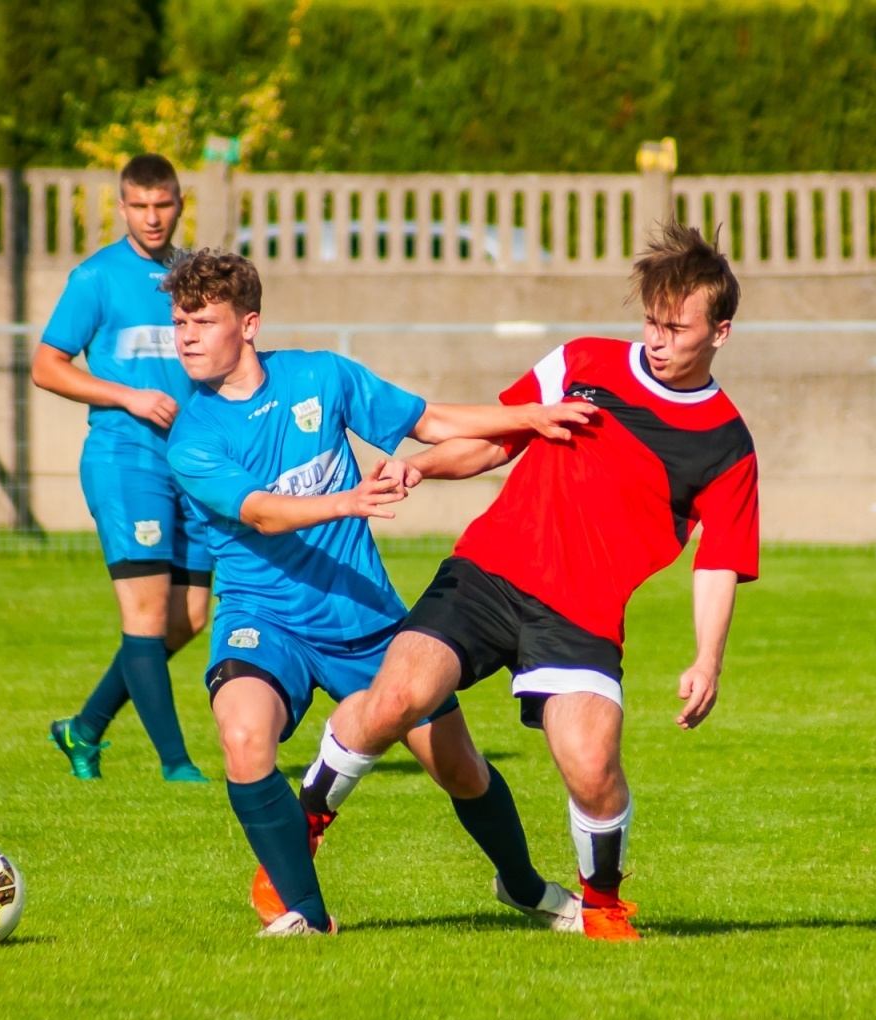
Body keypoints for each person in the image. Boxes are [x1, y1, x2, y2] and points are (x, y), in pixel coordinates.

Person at [295, 222, 760, 942]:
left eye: (677, 328)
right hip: (489, 573)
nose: (658, 340)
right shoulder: (582, 363)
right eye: (650, 322)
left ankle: (602, 903)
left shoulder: (727, 443)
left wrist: (708, 657)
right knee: (395, 697)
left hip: (581, 612)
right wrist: (423, 463)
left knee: (591, 764)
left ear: (721, 333)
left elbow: (720, 557)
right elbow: (497, 435)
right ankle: (297, 836)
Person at [162, 249, 598, 936]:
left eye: (201, 320)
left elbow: (430, 421)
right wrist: (349, 499)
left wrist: (529, 419)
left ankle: (520, 886)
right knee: (244, 736)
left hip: (363, 617)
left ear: (248, 324)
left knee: (459, 767)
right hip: (263, 618)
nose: (184, 335)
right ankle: (306, 914)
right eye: (178, 321)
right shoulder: (190, 436)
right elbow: (262, 513)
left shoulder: (322, 376)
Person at [32, 154, 210, 783]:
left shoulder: (193, 277)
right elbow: (46, 365)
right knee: (144, 615)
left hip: (193, 465)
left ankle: (83, 729)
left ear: (180, 202)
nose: (153, 216)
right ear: (122, 207)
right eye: (140, 205)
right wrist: (128, 395)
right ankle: (176, 765)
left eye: (163, 204)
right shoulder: (95, 278)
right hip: (125, 459)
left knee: (189, 617)